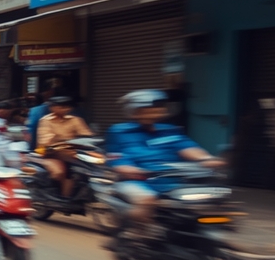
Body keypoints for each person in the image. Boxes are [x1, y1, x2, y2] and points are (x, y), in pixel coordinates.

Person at [105, 90, 223, 229]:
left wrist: (206, 159)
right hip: (136, 181)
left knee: (208, 201)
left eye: (159, 109)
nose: (156, 112)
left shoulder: (170, 130)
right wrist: (131, 170)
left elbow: (186, 147)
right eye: (149, 110)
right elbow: (117, 159)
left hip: (171, 180)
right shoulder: (118, 131)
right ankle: (133, 233)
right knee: (147, 200)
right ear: (134, 111)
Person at [35, 96, 94, 196]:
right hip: (50, 152)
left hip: (72, 152)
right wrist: (60, 141)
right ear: (52, 108)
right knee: (61, 173)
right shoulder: (46, 121)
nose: (64, 109)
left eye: (66, 107)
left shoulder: (76, 120)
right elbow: (45, 139)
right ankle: (62, 197)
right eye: (60, 107)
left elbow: (86, 134)